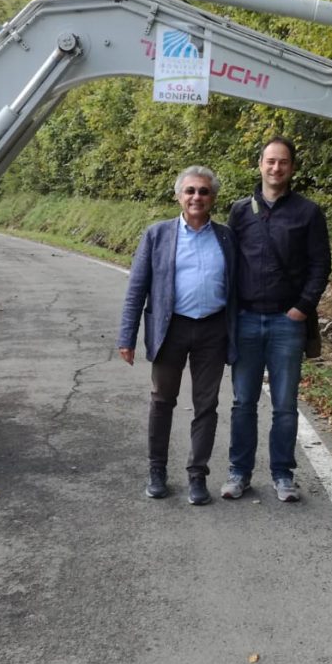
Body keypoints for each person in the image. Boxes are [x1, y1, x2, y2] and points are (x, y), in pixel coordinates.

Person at [118, 166, 238, 505]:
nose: (196, 197)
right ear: (178, 196)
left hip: (213, 329)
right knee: (162, 401)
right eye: (190, 191)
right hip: (170, 328)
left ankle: (197, 476)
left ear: (213, 198)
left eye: (203, 191)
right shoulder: (157, 234)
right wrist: (126, 336)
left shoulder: (227, 237)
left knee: (207, 404)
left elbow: (237, 290)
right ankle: (157, 471)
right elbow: (136, 288)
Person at [222, 136, 330, 503]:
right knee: (243, 403)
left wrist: (302, 306)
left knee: (285, 404)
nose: (276, 168)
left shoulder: (308, 213)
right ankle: (239, 473)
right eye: (270, 161)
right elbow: (229, 264)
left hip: (287, 322)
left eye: (283, 162)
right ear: (260, 164)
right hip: (247, 319)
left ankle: (283, 475)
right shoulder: (239, 211)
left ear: (292, 168)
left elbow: (320, 265)